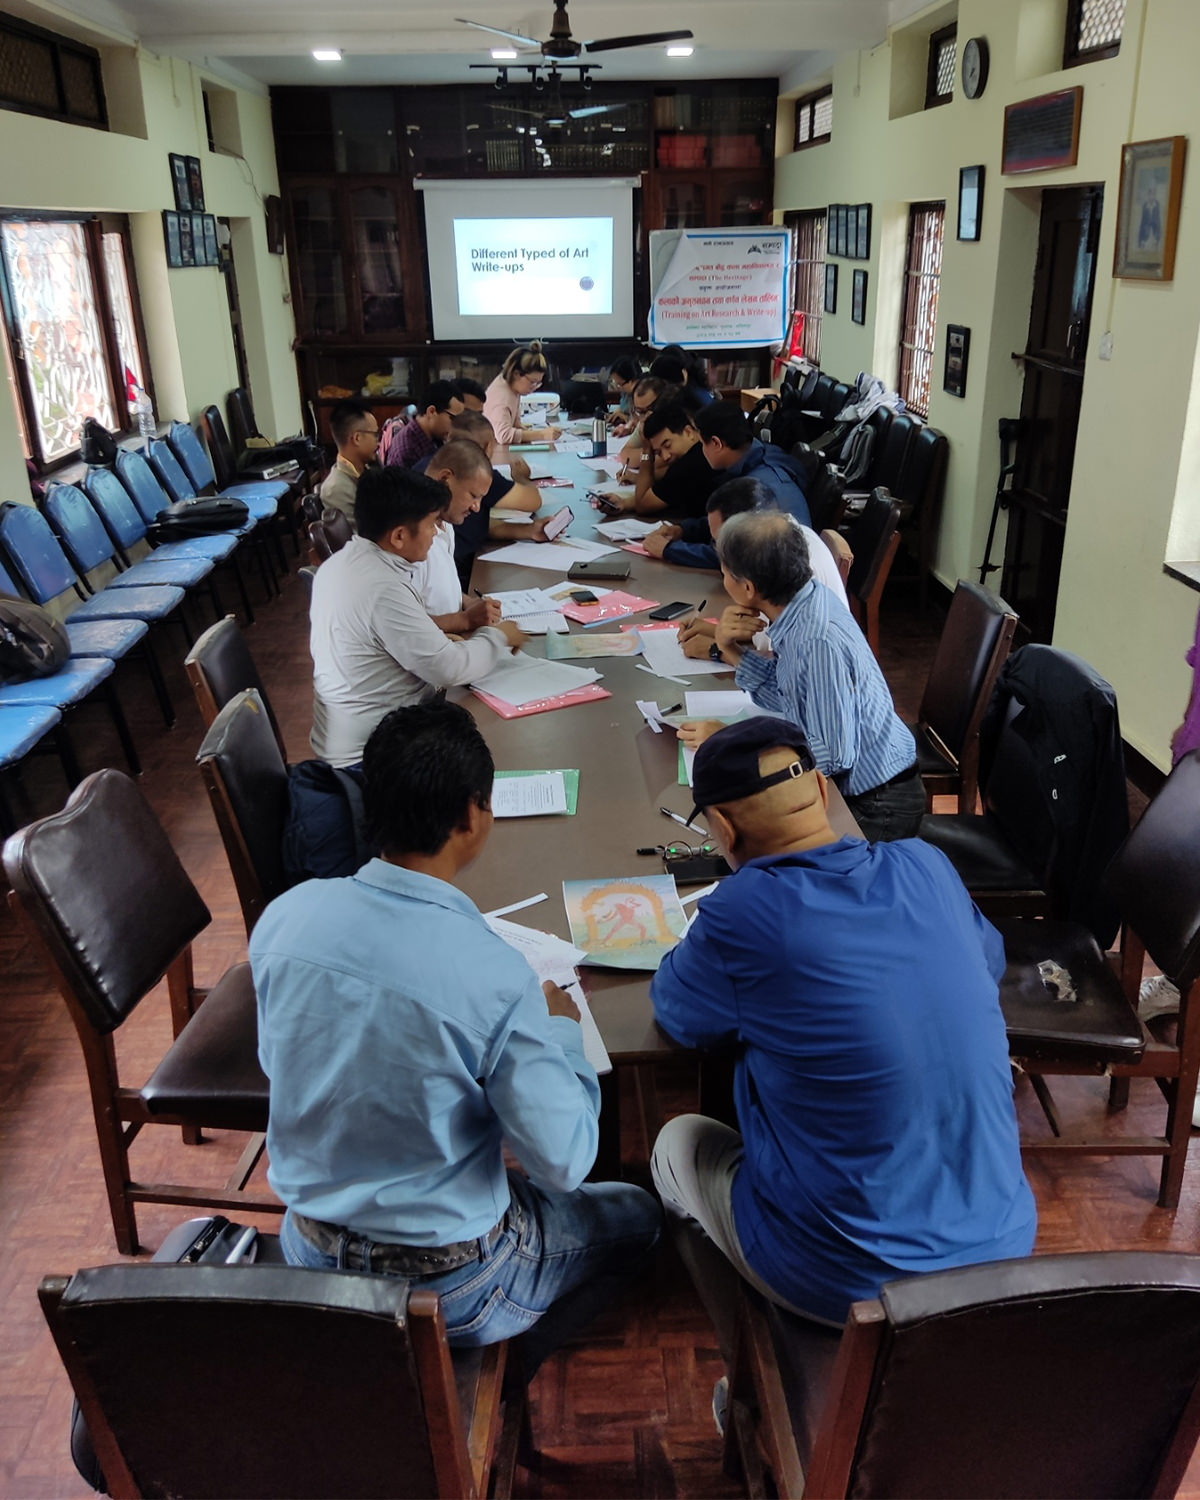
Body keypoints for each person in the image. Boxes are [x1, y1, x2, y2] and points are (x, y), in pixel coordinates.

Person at [252, 701, 662, 1373]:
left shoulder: (283, 920)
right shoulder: (492, 974)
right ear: (473, 815)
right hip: (451, 1284)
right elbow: (565, 1164)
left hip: (310, 1248)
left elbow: (286, 1064)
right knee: (639, 1216)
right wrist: (559, 1029)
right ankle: (503, 1371)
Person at [649, 717, 1035, 1350]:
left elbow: (679, 1013)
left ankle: (752, 1366)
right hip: (1002, 1253)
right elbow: (986, 961)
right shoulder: (927, 864)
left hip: (854, 1284)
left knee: (676, 1143)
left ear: (721, 828)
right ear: (824, 791)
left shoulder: (741, 912)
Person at [679, 510, 923, 841]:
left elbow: (833, 755)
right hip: (852, 786)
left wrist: (733, 741)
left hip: (876, 803)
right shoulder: (803, 603)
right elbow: (789, 695)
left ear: (748, 588)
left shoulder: (815, 639)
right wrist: (730, 650)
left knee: (753, 838)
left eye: (724, 574)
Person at [309, 465, 524, 767]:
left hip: (360, 734)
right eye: (432, 524)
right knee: (497, 747)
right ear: (399, 536)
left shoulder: (344, 562)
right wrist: (499, 636)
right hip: (371, 757)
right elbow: (449, 668)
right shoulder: (382, 587)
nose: (436, 533)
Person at [639, 476, 846, 607]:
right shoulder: (782, 536)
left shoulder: (783, 563)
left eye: (720, 543)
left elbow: (768, 647)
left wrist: (718, 647)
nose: (720, 557)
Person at [413, 438, 501, 634]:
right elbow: (404, 626)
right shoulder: (413, 541)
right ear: (445, 478)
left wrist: (468, 602)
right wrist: (465, 620)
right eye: (473, 495)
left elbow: (439, 589)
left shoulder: (445, 523)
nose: (476, 507)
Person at [694, 401, 812, 526]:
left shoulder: (762, 492)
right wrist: (685, 529)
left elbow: (736, 534)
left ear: (716, 443)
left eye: (702, 443)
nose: (702, 450)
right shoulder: (760, 454)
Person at [597, 401, 722, 518]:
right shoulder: (702, 447)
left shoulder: (690, 464)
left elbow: (643, 505)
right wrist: (624, 502)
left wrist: (647, 451)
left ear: (688, 432)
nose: (666, 456)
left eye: (667, 445)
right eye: (658, 452)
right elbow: (664, 491)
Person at [483, 343, 561, 445]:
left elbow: (515, 424)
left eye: (538, 383)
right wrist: (542, 435)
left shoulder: (513, 387)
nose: (534, 387)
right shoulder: (502, 397)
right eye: (532, 382)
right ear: (516, 374)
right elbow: (503, 435)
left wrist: (530, 432)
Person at [318, 400, 378, 526]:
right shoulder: (336, 489)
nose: (378, 442)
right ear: (357, 438)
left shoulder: (370, 468)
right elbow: (360, 536)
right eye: (375, 435)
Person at [382, 379, 463, 470]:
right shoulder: (407, 450)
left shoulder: (434, 437)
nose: (456, 425)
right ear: (431, 412)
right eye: (453, 418)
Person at [607, 356, 642, 435]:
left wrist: (626, 418)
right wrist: (618, 412)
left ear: (632, 380)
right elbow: (623, 407)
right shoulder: (626, 393)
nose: (618, 388)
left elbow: (642, 423)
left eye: (620, 384)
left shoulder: (643, 395)